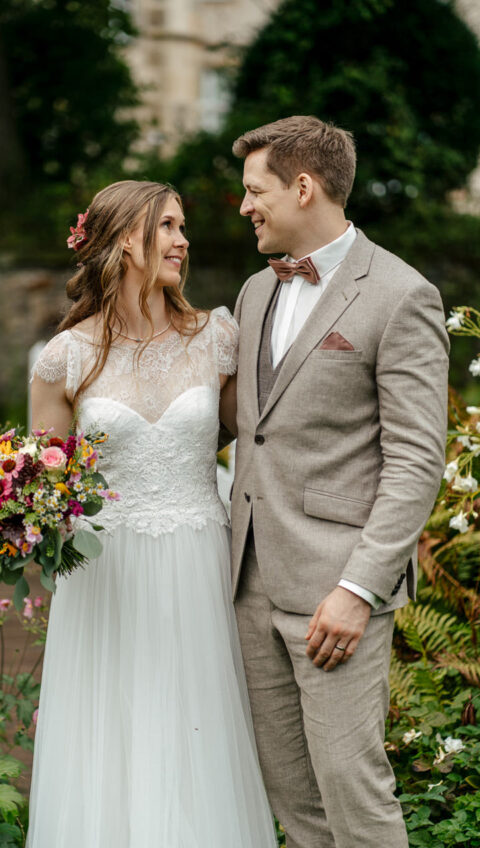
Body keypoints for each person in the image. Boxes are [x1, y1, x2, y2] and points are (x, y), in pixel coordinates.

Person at [26, 180, 275, 847]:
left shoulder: (219, 338)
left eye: (183, 227)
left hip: (199, 559)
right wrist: (16, 522)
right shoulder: (65, 359)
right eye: (167, 226)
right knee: (110, 741)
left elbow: (254, 441)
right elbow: (43, 487)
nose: (183, 240)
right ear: (123, 242)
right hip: (106, 575)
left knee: (197, 732)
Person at [228, 116, 448, 847]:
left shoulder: (401, 295)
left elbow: (417, 460)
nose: (244, 206)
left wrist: (359, 590)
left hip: (335, 593)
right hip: (250, 583)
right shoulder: (254, 293)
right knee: (293, 800)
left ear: (302, 186)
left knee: (354, 797)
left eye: (254, 190)